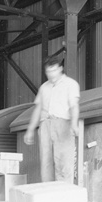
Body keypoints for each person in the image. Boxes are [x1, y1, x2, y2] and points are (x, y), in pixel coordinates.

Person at [23, 55, 81, 183]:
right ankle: (48, 193)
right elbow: (38, 109)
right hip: (45, 125)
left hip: (63, 124)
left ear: (60, 68)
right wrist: (30, 129)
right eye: (48, 72)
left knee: (64, 162)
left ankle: (64, 194)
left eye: (54, 70)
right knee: (46, 162)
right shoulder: (44, 87)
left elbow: (74, 106)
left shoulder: (70, 84)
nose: (51, 74)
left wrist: (74, 124)